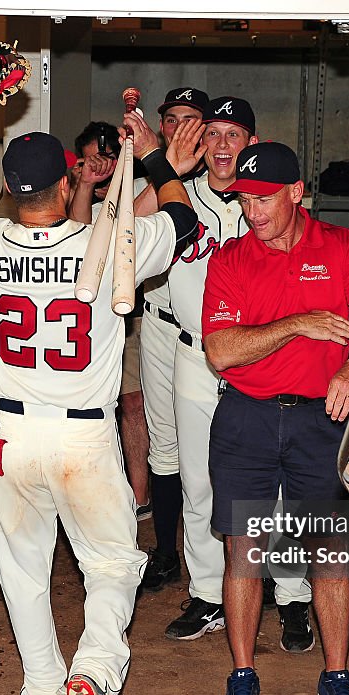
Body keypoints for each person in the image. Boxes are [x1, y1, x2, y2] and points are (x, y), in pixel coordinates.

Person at [0, 80, 198, 695]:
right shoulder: (110, 244)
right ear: (69, 179)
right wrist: (157, 162)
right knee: (112, 565)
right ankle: (93, 671)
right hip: (84, 436)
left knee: (22, 573)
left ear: (11, 189)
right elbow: (184, 226)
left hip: (9, 438)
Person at [201, 141, 349, 695]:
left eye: (262, 200)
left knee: (329, 554)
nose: (251, 212)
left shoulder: (342, 247)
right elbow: (221, 350)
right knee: (244, 551)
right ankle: (241, 675)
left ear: (295, 192)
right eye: (243, 200)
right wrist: (298, 325)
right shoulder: (231, 259)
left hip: (321, 421)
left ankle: (336, 676)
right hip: (247, 418)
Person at [139, 97, 314, 646]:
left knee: (277, 489)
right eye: (209, 133)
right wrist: (169, 169)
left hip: (264, 359)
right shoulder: (177, 197)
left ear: (252, 145)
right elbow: (124, 229)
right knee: (199, 484)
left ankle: (292, 597)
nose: (219, 145)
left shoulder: (266, 201)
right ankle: (208, 594)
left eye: (232, 135)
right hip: (195, 354)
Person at [137, 87, 208, 593]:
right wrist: (164, 170)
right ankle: (166, 552)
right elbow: (116, 228)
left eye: (191, 119)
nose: (181, 127)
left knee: (228, 454)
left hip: (222, 337)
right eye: (172, 119)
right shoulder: (149, 176)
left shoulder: (229, 184)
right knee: (164, 447)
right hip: (161, 325)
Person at [69, 122, 151, 520]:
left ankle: (139, 498)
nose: (100, 166)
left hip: (130, 315)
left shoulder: (138, 189)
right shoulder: (77, 191)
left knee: (132, 404)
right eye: (90, 159)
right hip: (85, 317)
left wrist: (121, 177)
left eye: (107, 159)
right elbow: (81, 236)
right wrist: (88, 182)